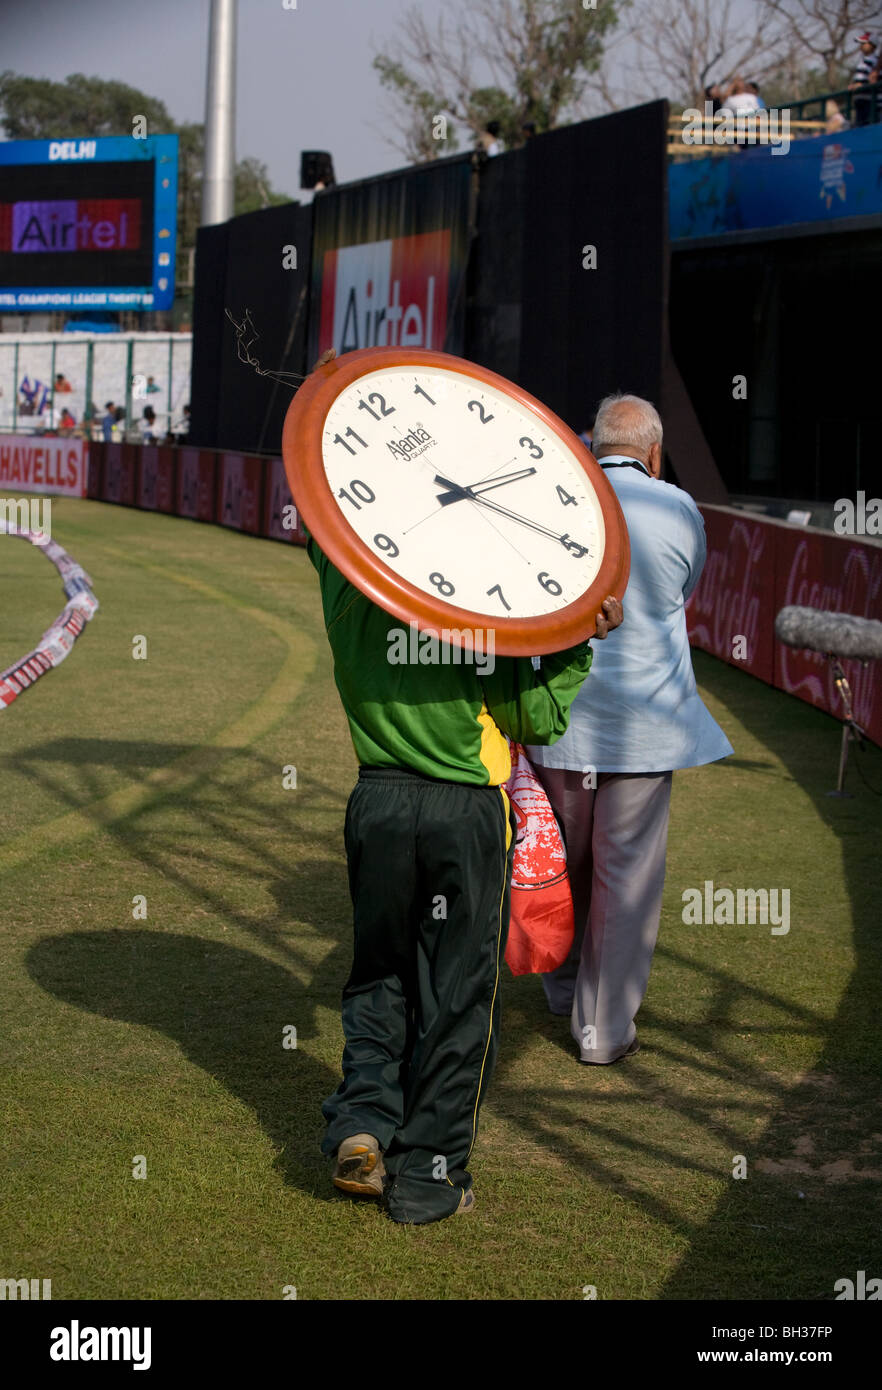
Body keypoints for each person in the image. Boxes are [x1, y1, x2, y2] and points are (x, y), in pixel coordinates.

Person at [306, 349, 624, 1224]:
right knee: (457, 998)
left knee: (377, 973)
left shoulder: (344, 576)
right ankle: (426, 1178)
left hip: (376, 800)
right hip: (464, 811)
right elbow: (537, 718)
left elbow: (325, 514)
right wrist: (581, 641)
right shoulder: (478, 599)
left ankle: (363, 1125)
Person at [525, 393, 733, 1066]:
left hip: (561, 719)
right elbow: (683, 590)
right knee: (627, 879)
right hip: (645, 726)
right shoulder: (679, 509)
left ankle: (561, 989)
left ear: (590, 445)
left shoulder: (555, 496)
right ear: (654, 453)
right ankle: (601, 1029)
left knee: (566, 861)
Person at [849, 32, 879, 126]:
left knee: (866, 124)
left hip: (869, 100)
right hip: (859, 99)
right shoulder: (862, 60)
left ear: (872, 45)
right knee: (859, 124)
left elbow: (873, 79)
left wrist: (862, 85)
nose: (861, 46)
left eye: (863, 43)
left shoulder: (874, 60)